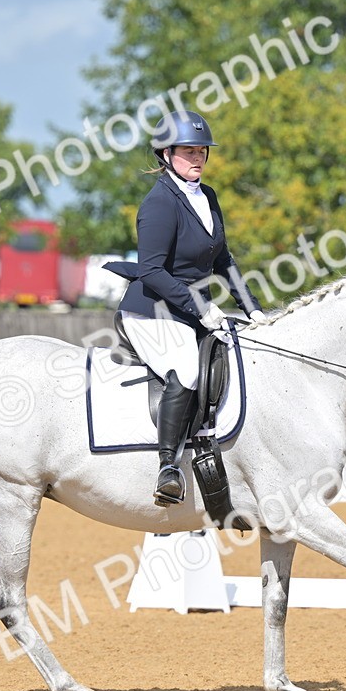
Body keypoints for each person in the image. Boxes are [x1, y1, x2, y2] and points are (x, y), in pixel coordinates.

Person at [115, 110, 266, 504]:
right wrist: (200, 307)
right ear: (166, 154)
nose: (197, 157)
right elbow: (150, 270)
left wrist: (253, 309)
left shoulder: (207, 196)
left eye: (202, 151)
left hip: (190, 309)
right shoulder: (159, 203)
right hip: (152, 309)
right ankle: (168, 468)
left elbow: (224, 260)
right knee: (185, 368)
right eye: (188, 151)